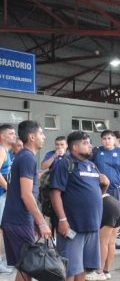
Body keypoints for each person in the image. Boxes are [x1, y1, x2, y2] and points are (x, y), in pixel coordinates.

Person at [50, 131, 104, 281]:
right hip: (72, 226)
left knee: (84, 268)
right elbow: (55, 194)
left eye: (89, 143)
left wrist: (105, 185)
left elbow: (94, 193)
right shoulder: (65, 164)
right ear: (74, 146)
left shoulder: (92, 166)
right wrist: (62, 220)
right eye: (85, 143)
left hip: (92, 225)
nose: (90, 146)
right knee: (70, 270)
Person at [2, 120, 51, 281]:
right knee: (27, 268)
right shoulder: (27, 158)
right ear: (31, 137)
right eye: (41, 134)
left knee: (26, 268)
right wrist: (42, 222)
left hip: (19, 220)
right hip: (18, 221)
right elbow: (26, 194)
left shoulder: (24, 156)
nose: (44, 137)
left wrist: (35, 221)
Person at [89, 177, 120, 281]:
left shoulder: (97, 193)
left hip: (108, 207)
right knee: (111, 242)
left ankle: (99, 272)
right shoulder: (108, 194)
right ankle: (106, 271)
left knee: (103, 242)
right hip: (116, 204)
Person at [92, 130, 120, 201]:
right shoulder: (96, 151)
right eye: (104, 139)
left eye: (109, 138)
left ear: (114, 139)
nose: (107, 141)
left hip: (115, 189)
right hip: (99, 188)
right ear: (101, 140)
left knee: (115, 210)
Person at [0, 124, 16, 274]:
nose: (14, 135)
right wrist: (8, 189)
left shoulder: (7, 152)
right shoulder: (1, 150)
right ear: (2, 136)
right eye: (11, 133)